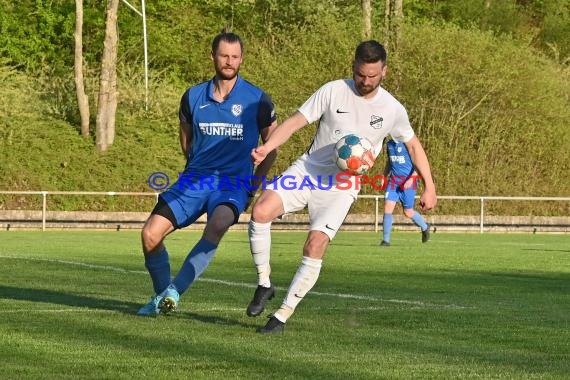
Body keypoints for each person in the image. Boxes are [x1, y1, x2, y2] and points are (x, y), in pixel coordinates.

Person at [246, 40, 437, 333]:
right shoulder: (333, 90)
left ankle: (281, 315)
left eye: (372, 75)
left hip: (342, 187)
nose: (366, 81)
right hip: (308, 170)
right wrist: (267, 146)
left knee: (315, 244)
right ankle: (264, 284)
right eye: (361, 74)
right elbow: (296, 122)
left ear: (384, 71)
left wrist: (430, 185)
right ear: (353, 67)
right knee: (260, 211)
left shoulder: (392, 109)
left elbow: (412, 145)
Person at [137, 28, 278, 316]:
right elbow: (185, 137)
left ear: (241, 59)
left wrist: (252, 185)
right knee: (150, 235)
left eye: (235, 57)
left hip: (233, 184)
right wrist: (194, 164)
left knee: (217, 224)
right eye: (224, 56)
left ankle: (175, 291)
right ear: (213, 56)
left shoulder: (257, 99)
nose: (229, 61)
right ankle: (163, 296)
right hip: (194, 179)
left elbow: (272, 146)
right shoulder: (192, 96)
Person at [379, 139, 430, 247]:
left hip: (408, 182)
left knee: (408, 212)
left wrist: (411, 179)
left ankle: (425, 227)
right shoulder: (389, 144)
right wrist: (384, 175)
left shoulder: (408, 143)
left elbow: (418, 164)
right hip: (393, 182)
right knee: (387, 208)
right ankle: (385, 241)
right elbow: (390, 162)